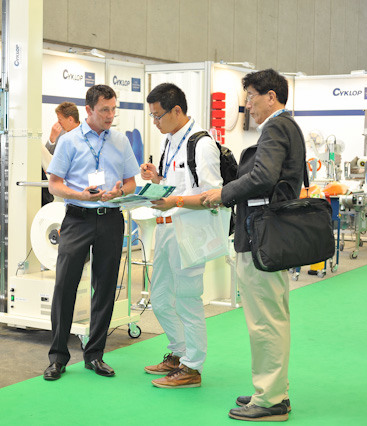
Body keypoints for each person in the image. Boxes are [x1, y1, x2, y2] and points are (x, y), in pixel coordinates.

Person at [201, 69, 305, 421]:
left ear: (271, 96)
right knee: (270, 317)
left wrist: (223, 193)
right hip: (270, 233)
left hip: (262, 235)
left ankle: (271, 399)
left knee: (265, 322)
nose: (247, 105)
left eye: (250, 97)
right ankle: (272, 390)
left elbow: (263, 177)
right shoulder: (288, 126)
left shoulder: (276, 127)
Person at [43, 85, 140, 381]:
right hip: (77, 218)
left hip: (111, 219)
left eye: (113, 109)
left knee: (105, 287)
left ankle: (95, 355)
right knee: (65, 286)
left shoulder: (120, 141)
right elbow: (54, 184)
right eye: (104, 110)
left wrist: (119, 192)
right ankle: (58, 357)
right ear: (89, 110)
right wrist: (80, 195)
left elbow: (131, 183)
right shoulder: (69, 141)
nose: (110, 116)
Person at [139, 83, 222, 388]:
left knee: (187, 299)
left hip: (189, 231)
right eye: (152, 116)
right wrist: (156, 178)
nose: (154, 122)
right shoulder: (170, 141)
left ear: (176, 110)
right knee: (160, 298)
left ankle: (192, 367)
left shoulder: (202, 144)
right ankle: (178, 352)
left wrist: (174, 201)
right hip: (165, 228)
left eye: (158, 115)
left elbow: (212, 196)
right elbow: (176, 185)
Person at [42, 102, 80, 205]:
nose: (58, 123)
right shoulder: (60, 133)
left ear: (70, 119)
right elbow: (46, 157)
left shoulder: (85, 135)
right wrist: (52, 138)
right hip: (59, 183)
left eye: (60, 119)